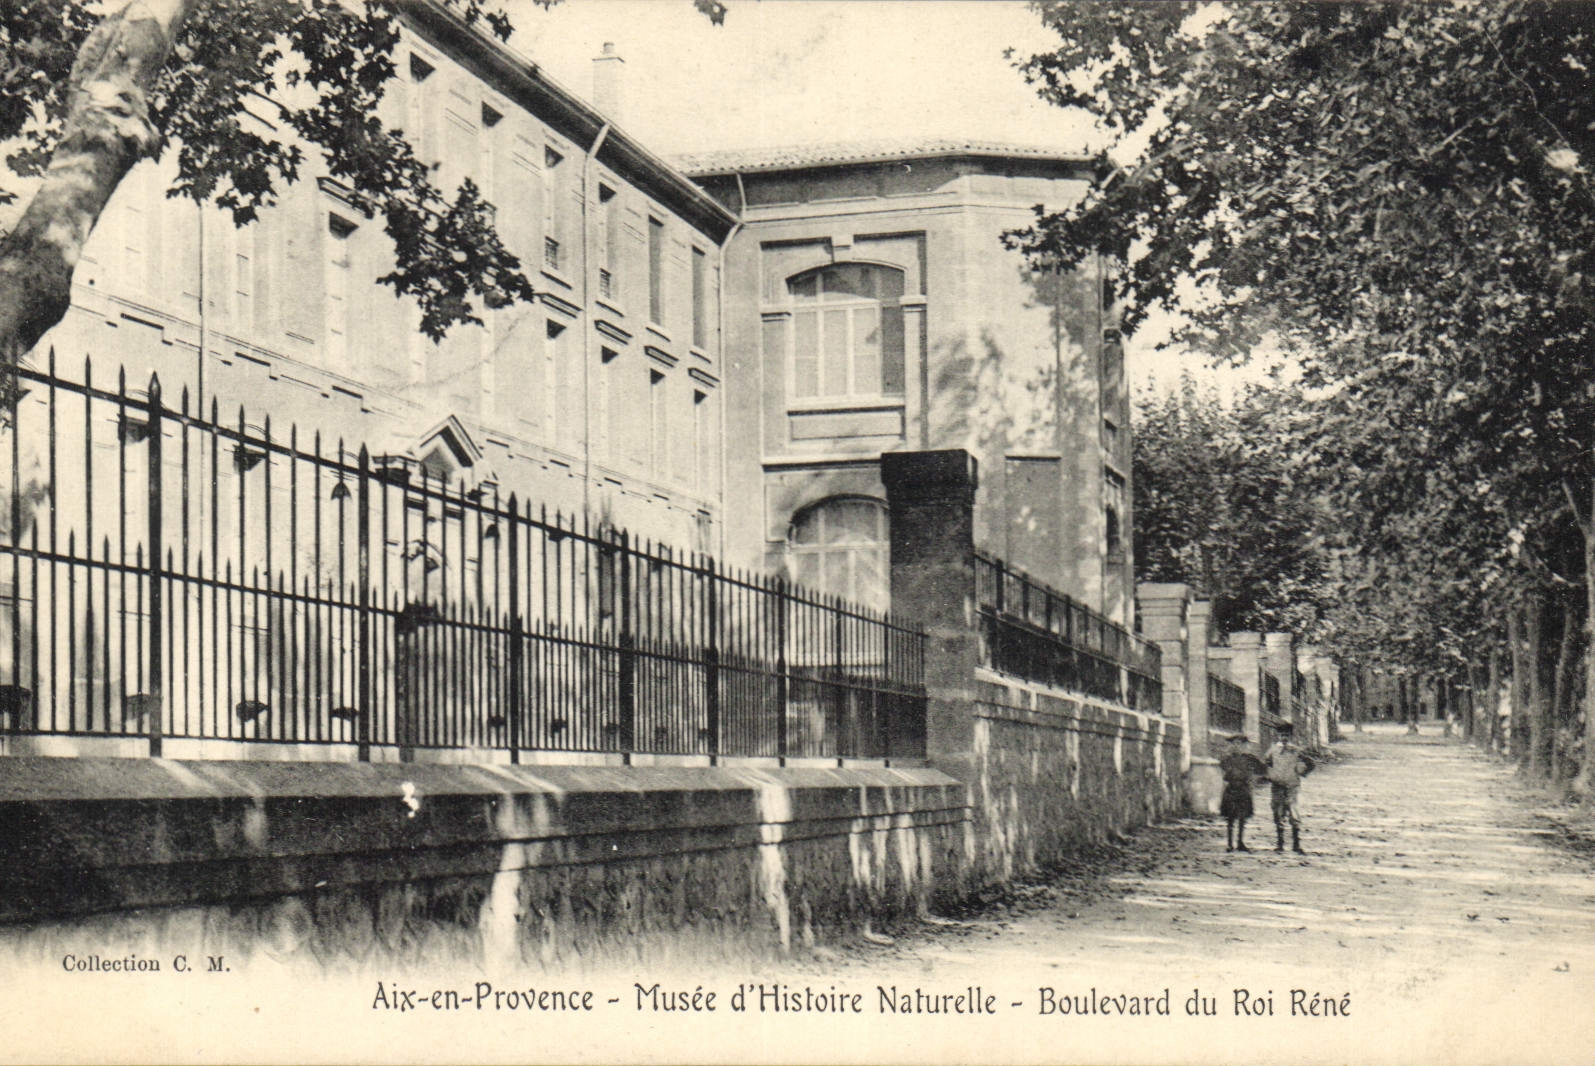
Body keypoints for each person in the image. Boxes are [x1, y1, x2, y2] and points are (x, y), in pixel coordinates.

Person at [1264, 723, 1316, 854]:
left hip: (1292, 786)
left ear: (1290, 736)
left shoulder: (1296, 750)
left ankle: (1296, 844)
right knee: (1278, 812)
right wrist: (1271, 775)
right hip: (1277, 786)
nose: (1284, 738)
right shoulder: (1272, 750)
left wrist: (1302, 772)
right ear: (1278, 736)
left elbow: (1310, 763)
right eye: (1282, 735)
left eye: (1287, 735)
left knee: (1294, 812)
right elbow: (1266, 764)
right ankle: (1280, 843)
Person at [1218, 734, 1266, 852]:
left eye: (1239, 743)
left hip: (1243, 788)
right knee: (1230, 817)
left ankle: (1240, 842)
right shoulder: (1227, 759)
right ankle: (1230, 843)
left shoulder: (1249, 759)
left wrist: (1252, 779)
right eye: (1234, 743)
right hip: (1231, 788)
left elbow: (1262, 769)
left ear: (1244, 745)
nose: (1236, 746)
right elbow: (1223, 771)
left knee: (1242, 816)